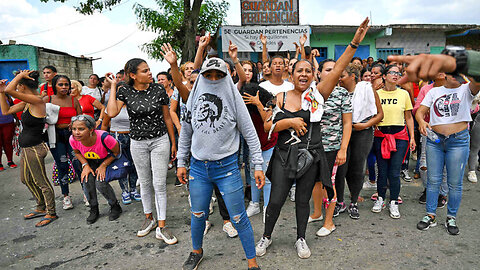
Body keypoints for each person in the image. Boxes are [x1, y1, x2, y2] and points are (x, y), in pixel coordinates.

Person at [255, 17, 371, 259]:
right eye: (300, 70)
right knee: (275, 200)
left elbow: (339, 67)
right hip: (284, 156)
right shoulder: (281, 98)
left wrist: (354, 43)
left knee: (302, 201)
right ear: (292, 73)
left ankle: (300, 238)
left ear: (313, 74)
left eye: (309, 71)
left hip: (311, 156)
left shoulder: (318, 96)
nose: (304, 74)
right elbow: (268, 126)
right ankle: (266, 236)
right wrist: (289, 122)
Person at [175, 55, 265, 270]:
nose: (213, 79)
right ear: (202, 76)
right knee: (198, 214)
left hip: (227, 169)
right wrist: (181, 161)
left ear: (226, 76)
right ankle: (196, 251)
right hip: (198, 168)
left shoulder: (233, 99)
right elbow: (186, 132)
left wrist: (258, 165)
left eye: (219, 75)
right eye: (208, 75)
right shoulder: (194, 99)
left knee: (238, 217)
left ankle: (252, 263)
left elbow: (250, 134)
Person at [106, 58, 178, 244]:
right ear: (133, 75)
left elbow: (167, 117)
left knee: (159, 183)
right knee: (144, 182)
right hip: (137, 142)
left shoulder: (158, 89)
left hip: (159, 140)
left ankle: (162, 226)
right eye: (145, 71)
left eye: (149, 69)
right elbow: (112, 112)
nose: (149, 73)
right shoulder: (125, 91)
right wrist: (114, 86)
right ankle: (149, 218)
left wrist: (173, 142)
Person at [415, 74, 479, 235]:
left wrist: (468, 73)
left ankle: (451, 217)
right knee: (433, 180)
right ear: (445, 75)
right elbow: (420, 111)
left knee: (455, 182)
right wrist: (422, 121)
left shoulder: (466, 89)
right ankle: (430, 215)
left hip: (458, 141)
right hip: (435, 141)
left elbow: (477, 83)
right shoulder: (434, 92)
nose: (456, 76)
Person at [0, 70, 57, 227]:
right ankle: (40, 206)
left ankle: (51, 212)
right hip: (26, 148)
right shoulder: (27, 102)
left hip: (34, 148)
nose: (16, 89)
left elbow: (9, 90)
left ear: (23, 87)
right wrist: (1, 93)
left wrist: (18, 77)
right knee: (26, 179)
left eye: (18, 86)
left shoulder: (37, 101)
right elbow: (6, 111)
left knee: (42, 181)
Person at [309, 59, 352, 236]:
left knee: (329, 183)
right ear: (319, 73)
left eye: (335, 70)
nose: (332, 72)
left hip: (333, 147)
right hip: (312, 145)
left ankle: (329, 222)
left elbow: (348, 123)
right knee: (314, 181)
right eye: (328, 69)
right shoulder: (311, 92)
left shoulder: (343, 93)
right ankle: (318, 213)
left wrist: (343, 149)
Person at [338, 63, 383, 219]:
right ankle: (339, 202)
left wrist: (365, 124)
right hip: (342, 133)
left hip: (362, 132)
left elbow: (379, 115)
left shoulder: (366, 89)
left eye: (342, 76)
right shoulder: (337, 91)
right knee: (340, 168)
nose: (339, 79)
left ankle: (354, 202)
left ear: (352, 76)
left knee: (357, 168)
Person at [371, 64, 415, 219]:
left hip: (400, 137)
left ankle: (394, 202)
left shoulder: (404, 94)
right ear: (384, 76)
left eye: (398, 73)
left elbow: (409, 117)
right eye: (392, 73)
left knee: (395, 172)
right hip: (381, 136)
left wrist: (412, 138)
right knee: (382, 170)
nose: (396, 75)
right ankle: (381, 199)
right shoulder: (376, 93)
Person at [69, 115, 122, 224]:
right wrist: (85, 165)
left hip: (107, 159)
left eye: (81, 129)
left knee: (100, 183)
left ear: (91, 130)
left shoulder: (105, 138)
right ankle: (94, 209)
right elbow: (77, 153)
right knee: (87, 181)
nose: (76, 132)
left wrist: (103, 165)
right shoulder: (73, 139)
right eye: (74, 129)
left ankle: (115, 206)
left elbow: (116, 152)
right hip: (89, 161)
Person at [44, 75, 82, 210]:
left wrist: (75, 125)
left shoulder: (73, 100)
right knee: (62, 165)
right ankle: (66, 196)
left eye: (67, 85)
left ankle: (86, 194)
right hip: (56, 137)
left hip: (73, 137)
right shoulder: (47, 100)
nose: (65, 87)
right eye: (61, 85)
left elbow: (80, 118)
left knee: (79, 163)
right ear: (54, 86)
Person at [241, 83, 277, 222]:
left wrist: (258, 104)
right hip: (254, 147)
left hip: (269, 144)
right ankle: (254, 204)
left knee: (267, 177)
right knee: (252, 174)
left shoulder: (268, 104)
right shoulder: (245, 109)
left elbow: (267, 124)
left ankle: (267, 208)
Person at [101, 100, 141, 205]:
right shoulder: (111, 107)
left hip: (133, 136)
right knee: (121, 164)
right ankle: (125, 191)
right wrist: (104, 142)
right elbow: (104, 125)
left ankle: (133, 189)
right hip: (117, 137)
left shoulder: (134, 104)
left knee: (134, 164)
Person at [0, 92, 16, 171]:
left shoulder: (5, 95)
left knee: (8, 142)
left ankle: (10, 161)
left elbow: (12, 107)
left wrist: (16, 119)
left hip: (8, 122)